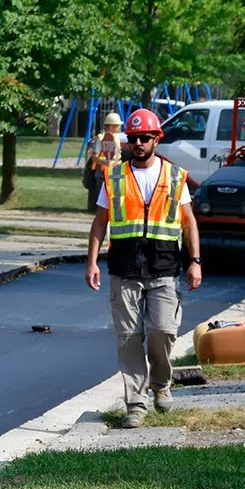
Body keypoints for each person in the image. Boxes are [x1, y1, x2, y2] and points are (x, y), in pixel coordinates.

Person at [85, 108, 202, 429]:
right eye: (134, 138)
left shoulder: (175, 177)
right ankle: (135, 405)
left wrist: (195, 262)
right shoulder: (114, 177)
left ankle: (161, 385)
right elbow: (99, 224)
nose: (138, 143)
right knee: (128, 338)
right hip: (123, 270)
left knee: (163, 331)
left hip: (164, 269)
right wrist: (92, 261)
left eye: (145, 138)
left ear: (156, 139)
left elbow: (189, 223)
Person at [84, 113, 128, 211]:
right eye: (117, 125)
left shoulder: (116, 138)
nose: (119, 127)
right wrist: (105, 163)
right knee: (102, 199)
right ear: (111, 125)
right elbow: (94, 157)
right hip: (102, 173)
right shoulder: (100, 138)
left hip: (115, 172)